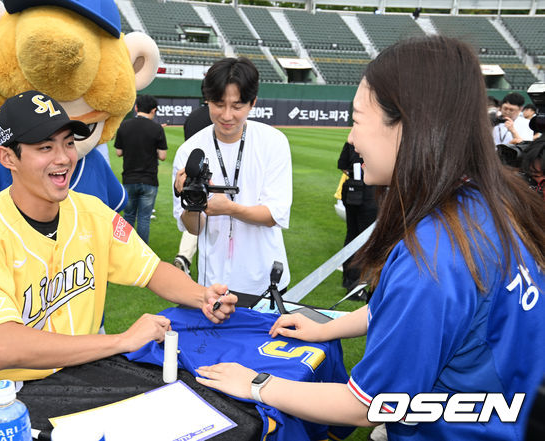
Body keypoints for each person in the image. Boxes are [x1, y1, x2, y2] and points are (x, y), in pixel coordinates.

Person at [194, 36, 545, 440]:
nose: (352, 139)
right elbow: (422, 317)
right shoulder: (487, 204)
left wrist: (255, 383)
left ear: (408, 124)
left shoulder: (433, 254)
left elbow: (367, 405)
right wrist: (326, 328)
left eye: (358, 119)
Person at [0, 91, 237, 435]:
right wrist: (122, 341)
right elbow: (0, 348)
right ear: (8, 157)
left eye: (67, 143)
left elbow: (151, 269)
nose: (64, 158)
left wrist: (203, 297)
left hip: (79, 374)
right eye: (44, 147)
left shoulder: (92, 211)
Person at [172, 57, 292, 298]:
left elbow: (273, 215)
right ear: (207, 100)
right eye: (218, 104)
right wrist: (194, 202)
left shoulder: (273, 142)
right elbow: (194, 229)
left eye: (237, 106)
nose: (226, 115)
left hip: (264, 282)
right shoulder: (190, 151)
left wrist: (229, 208)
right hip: (212, 283)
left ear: (252, 103)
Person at [114, 95, 167, 244]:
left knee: (129, 216)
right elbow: (162, 156)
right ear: (153, 110)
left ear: (136, 108)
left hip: (129, 178)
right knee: (144, 219)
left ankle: (125, 250)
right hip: (149, 180)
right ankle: (142, 255)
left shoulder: (124, 125)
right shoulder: (156, 128)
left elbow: (118, 152)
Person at [173, 102, 213, 275]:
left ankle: (184, 256)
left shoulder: (192, 117)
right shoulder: (214, 118)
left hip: (192, 171)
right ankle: (185, 257)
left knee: (194, 210)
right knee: (200, 214)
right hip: (207, 172)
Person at [337, 141, 378, 293]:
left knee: (353, 236)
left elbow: (343, 165)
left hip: (352, 190)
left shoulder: (352, 140)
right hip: (367, 193)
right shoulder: (375, 140)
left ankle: (349, 280)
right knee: (364, 240)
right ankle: (356, 285)